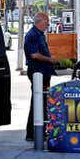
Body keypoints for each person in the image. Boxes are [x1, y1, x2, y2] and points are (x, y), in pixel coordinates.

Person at [24, 12, 58, 141]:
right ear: (39, 21)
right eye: (46, 22)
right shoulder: (32, 35)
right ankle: (33, 133)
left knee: (42, 102)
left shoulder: (39, 35)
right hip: (37, 71)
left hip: (43, 72)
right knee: (38, 102)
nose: (48, 24)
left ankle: (39, 131)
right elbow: (34, 55)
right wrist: (50, 59)